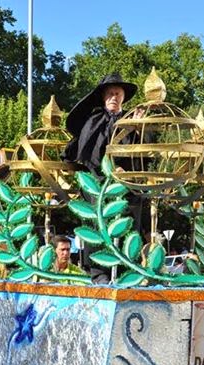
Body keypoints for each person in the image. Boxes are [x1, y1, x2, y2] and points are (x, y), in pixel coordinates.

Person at [62, 72, 142, 284]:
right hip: (97, 180)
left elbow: (143, 153)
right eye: (109, 94)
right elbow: (90, 151)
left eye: (117, 93)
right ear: (103, 97)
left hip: (125, 184)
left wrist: (137, 128)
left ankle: (127, 269)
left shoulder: (133, 120)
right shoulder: (94, 120)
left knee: (127, 221)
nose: (113, 97)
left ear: (123, 97)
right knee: (96, 223)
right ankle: (98, 272)